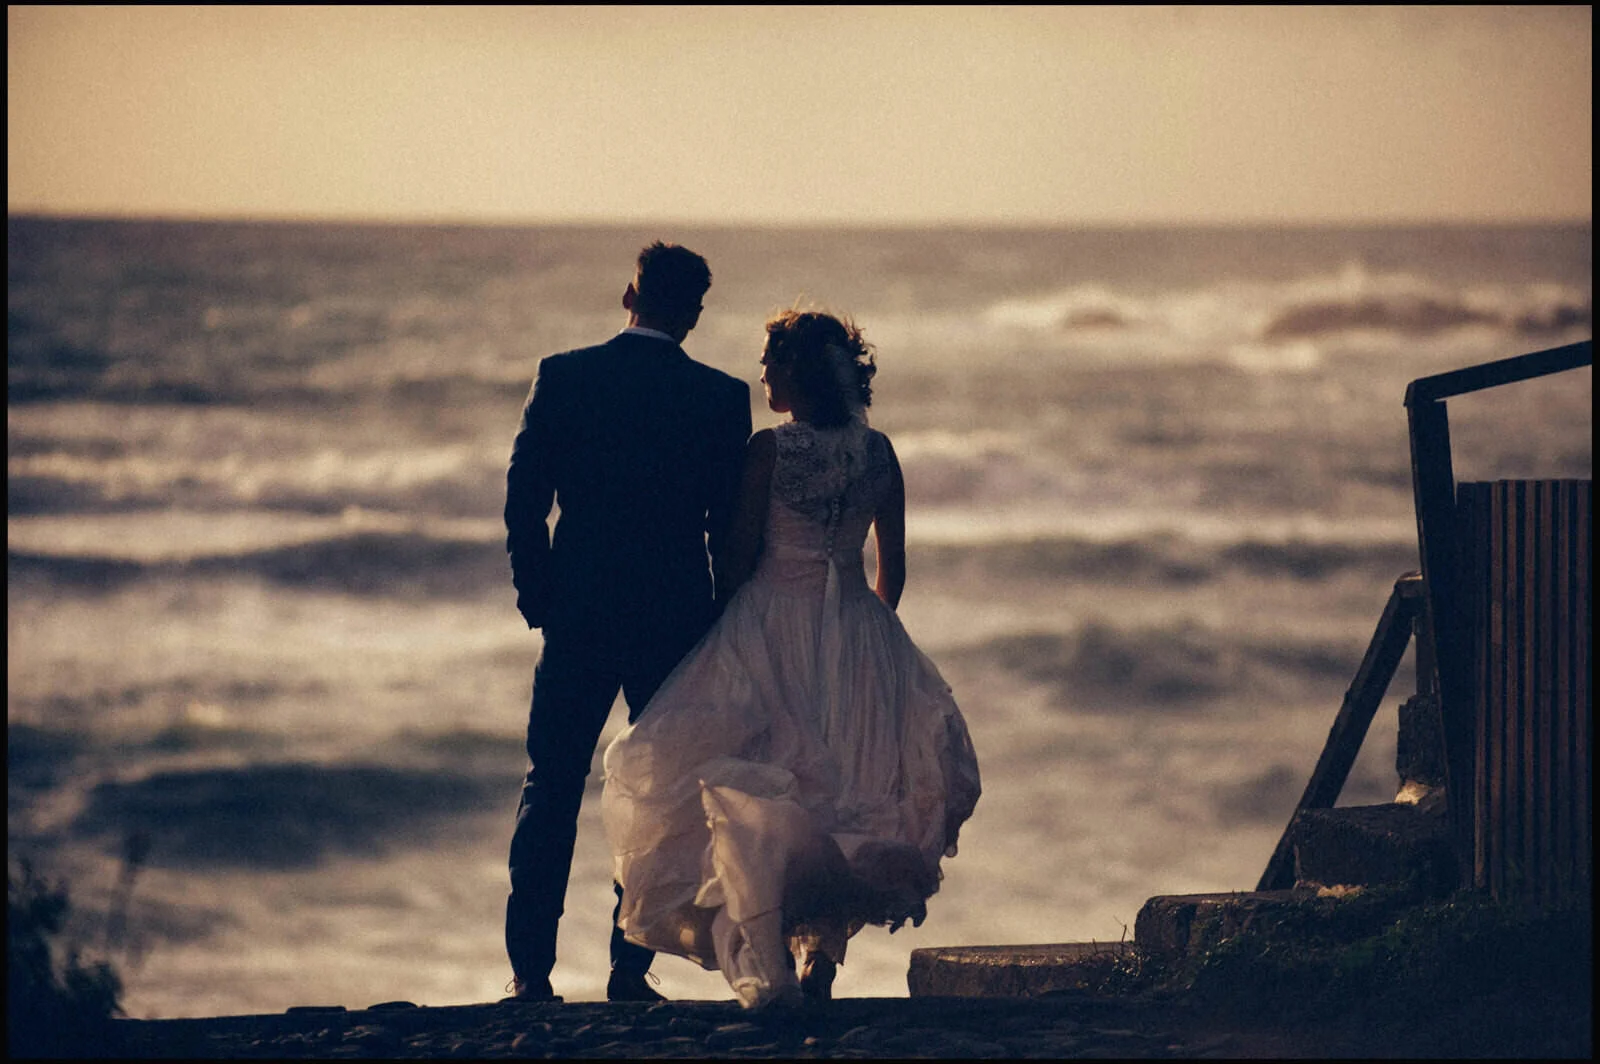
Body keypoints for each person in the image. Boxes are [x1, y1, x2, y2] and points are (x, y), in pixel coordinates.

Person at [601, 309, 981, 1009]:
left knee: (768, 785)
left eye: (773, 361)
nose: (764, 372)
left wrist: (723, 627)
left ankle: (770, 946)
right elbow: (891, 569)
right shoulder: (881, 452)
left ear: (800, 372)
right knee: (846, 796)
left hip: (770, 621)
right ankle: (821, 955)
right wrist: (869, 642)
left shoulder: (768, 451)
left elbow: (740, 556)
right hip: (859, 634)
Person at [502, 242, 752, 1003]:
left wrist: (538, 594)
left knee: (551, 787)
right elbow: (725, 527)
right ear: (694, 314)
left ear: (628, 297)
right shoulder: (719, 397)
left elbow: (524, 498)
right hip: (672, 622)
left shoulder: (565, 375)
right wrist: (717, 621)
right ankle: (626, 970)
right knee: (658, 797)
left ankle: (530, 976)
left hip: (577, 613)